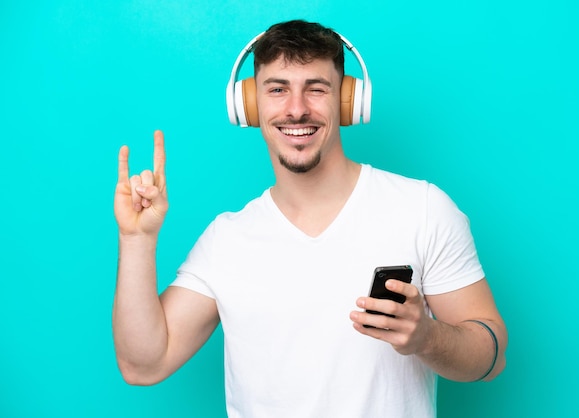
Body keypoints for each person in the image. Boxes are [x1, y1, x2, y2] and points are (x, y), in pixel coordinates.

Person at [113, 19, 507, 417]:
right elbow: (143, 364)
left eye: (316, 89)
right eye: (278, 89)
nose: (297, 109)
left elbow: (492, 355)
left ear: (349, 101)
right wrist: (136, 242)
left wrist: (426, 337)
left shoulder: (422, 209)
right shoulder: (227, 239)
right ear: (249, 105)